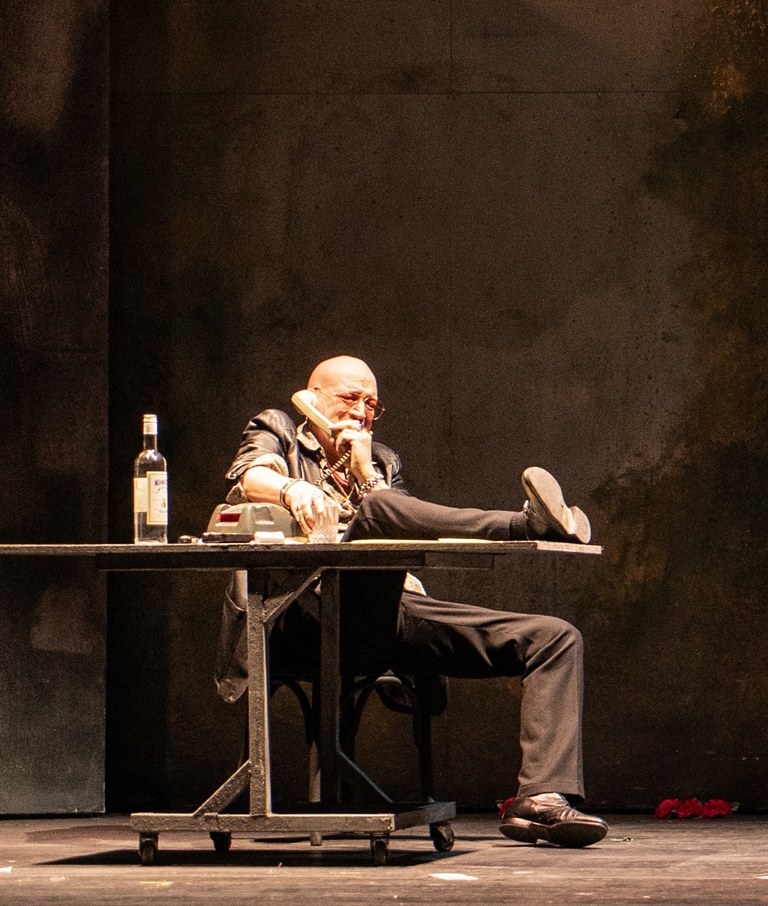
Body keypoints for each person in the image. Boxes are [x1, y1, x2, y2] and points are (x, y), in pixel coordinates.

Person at [215, 355, 610, 846]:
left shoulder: (382, 460)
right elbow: (249, 476)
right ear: (310, 400)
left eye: (372, 404)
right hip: (296, 611)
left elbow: (403, 522)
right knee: (379, 506)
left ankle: (541, 799)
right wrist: (294, 488)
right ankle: (524, 525)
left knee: (554, 638)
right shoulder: (279, 429)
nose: (361, 411)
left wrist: (367, 474)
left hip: (378, 611)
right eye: (350, 398)